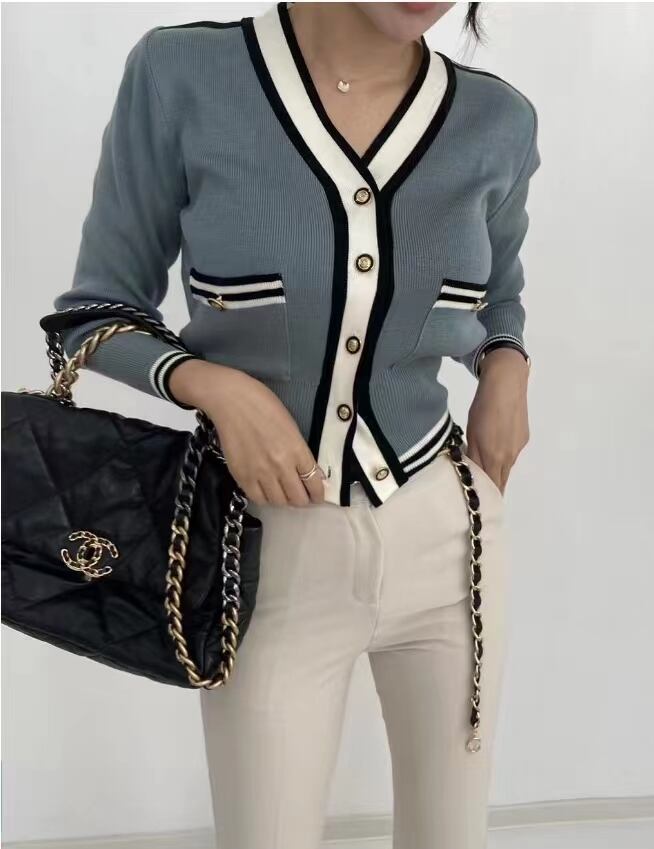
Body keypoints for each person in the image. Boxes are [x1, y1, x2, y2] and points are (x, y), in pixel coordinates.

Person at [52, 2, 540, 846]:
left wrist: (507, 363)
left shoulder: (497, 120)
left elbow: (500, 295)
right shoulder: (184, 75)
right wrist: (215, 387)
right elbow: (93, 314)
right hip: (261, 553)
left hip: (452, 541)